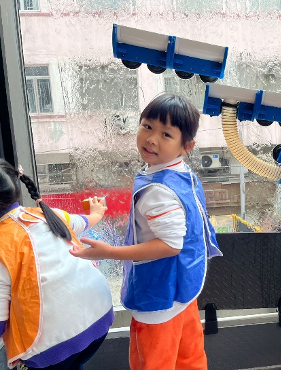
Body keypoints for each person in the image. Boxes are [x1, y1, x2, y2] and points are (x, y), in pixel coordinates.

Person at [70, 93, 222, 370]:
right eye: (147, 126)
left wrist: (110, 252)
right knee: (190, 359)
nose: (151, 139)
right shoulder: (182, 173)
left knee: (153, 362)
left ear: (186, 146)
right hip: (184, 290)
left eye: (166, 134)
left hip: (159, 296)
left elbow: (171, 245)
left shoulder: (158, 192)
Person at [0, 159, 114, 370]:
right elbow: (85, 221)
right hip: (99, 318)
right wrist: (98, 211)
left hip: (52, 347)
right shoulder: (47, 214)